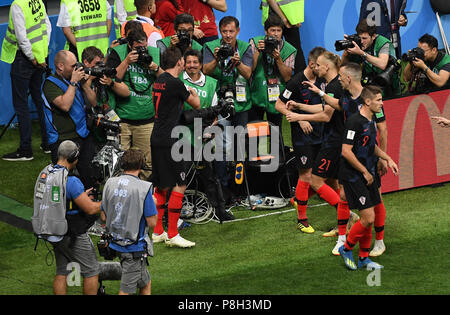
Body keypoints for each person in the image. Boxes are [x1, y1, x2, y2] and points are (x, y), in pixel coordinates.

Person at [301, 62, 388, 256]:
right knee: (342, 196)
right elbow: (338, 105)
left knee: (376, 200)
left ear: (349, 78)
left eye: (340, 76)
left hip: (367, 158)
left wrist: (383, 158)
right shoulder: (347, 97)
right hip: (349, 158)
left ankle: (379, 242)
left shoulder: (372, 98)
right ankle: (342, 239)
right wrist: (320, 93)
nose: (338, 78)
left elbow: (382, 129)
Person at [282, 51, 345, 233]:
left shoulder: (332, 86)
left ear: (326, 67)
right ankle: (340, 221)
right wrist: (300, 107)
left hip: (332, 140)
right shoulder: (329, 84)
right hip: (324, 139)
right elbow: (325, 106)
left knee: (317, 179)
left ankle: (347, 218)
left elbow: (326, 115)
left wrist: (298, 115)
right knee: (325, 179)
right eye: (314, 64)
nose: (315, 67)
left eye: (318, 65)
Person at [338, 85, 398, 271]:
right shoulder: (354, 122)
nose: (382, 103)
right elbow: (346, 151)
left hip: (368, 172)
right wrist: (364, 171)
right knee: (368, 217)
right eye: (378, 100)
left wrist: (387, 158)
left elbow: (371, 146)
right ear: (367, 101)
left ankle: (364, 258)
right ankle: (346, 248)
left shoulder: (371, 121)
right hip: (354, 175)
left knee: (369, 217)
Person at [33, 140, 102, 294]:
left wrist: (81, 196)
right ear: (74, 158)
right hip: (72, 232)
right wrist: (107, 202)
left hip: (52, 229)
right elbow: (91, 209)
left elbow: (59, 198)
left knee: (62, 271)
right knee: (91, 271)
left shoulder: (47, 172)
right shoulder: (71, 181)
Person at [150, 46, 200, 248]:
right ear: (179, 62)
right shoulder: (176, 83)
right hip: (171, 139)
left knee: (162, 185)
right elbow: (196, 104)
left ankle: (157, 231)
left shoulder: (159, 81)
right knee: (180, 184)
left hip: (157, 137)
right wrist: (193, 92)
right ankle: (172, 233)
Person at [275, 46, 326, 233]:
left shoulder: (322, 79)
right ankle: (301, 219)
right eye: (321, 65)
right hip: (302, 136)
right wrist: (298, 118)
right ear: (312, 64)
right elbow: (278, 105)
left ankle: (298, 199)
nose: (324, 68)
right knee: (306, 175)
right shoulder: (295, 82)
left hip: (321, 133)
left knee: (322, 174)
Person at [203, 16, 253, 202]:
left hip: (241, 103)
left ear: (237, 31)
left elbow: (248, 73)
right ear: (220, 31)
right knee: (221, 148)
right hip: (219, 103)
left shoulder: (245, 47)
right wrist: (217, 58)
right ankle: (222, 190)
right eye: (224, 31)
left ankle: (238, 189)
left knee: (239, 147)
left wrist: (237, 62)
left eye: (231, 31)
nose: (228, 35)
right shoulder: (211, 46)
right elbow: (206, 70)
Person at [180, 49, 234, 222]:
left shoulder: (211, 83)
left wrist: (210, 129)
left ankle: (220, 210)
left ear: (201, 64)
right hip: (183, 135)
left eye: (195, 62)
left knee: (210, 176)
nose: (192, 66)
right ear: (184, 63)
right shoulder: (179, 81)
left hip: (204, 136)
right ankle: (172, 214)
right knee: (181, 176)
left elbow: (215, 111)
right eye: (188, 62)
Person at [106, 29, 163, 180]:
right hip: (123, 119)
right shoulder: (118, 53)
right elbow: (111, 79)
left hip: (146, 119)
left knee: (147, 163)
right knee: (119, 162)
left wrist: (154, 66)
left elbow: (166, 78)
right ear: (130, 45)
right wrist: (126, 62)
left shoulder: (155, 53)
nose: (142, 51)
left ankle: (143, 195)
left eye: (144, 46)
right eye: (138, 48)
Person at [1, 0, 52, 161]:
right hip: (40, 57)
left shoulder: (18, 5)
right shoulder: (38, 1)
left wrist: (32, 57)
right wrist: (41, 55)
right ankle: (47, 144)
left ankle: (25, 150)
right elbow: (47, 27)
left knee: (21, 104)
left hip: (25, 59)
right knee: (39, 99)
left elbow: (21, 37)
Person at [102, 149, 157, 295]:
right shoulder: (144, 189)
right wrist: (154, 204)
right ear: (141, 165)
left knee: (145, 282)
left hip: (115, 244)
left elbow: (103, 216)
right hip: (133, 249)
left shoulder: (110, 183)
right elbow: (152, 222)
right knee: (126, 291)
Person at [41, 50, 97, 189]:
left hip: (82, 134)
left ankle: (89, 205)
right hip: (62, 139)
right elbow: (65, 105)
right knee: (63, 181)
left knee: (89, 175)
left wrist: (84, 85)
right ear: (60, 66)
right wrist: (73, 82)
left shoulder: (77, 81)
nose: (76, 69)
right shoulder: (50, 84)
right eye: (73, 66)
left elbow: (94, 102)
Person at [249, 14, 296, 134]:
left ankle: (276, 153)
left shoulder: (289, 49)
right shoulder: (255, 42)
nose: (275, 34)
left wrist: (279, 59)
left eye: (279, 30)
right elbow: (250, 70)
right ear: (266, 31)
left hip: (276, 98)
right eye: (272, 30)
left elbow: (287, 77)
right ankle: (254, 153)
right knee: (254, 134)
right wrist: (258, 52)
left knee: (275, 134)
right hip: (257, 94)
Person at [342, 19, 399, 96]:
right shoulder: (356, 42)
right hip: (367, 86)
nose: (361, 41)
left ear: (373, 36)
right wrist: (346, 53)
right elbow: (344, 67)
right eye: (360, 38)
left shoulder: (383, 43)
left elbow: (382, 64)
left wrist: (361, 53)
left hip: (388, 88)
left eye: (364, 38)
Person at [262, 0, 306, 74]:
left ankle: (301, 82)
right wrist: (284, 19)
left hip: (289, 18)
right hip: (277, 15)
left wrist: (294, 18)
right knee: (273, 49)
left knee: (296, 52)